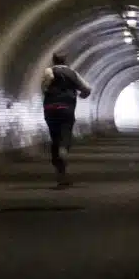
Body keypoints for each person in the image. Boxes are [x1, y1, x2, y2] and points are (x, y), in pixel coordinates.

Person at [41, 51, 92, 187]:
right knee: (65, 135)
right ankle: (63, 151)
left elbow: (44, 87)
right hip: (67, 108)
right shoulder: (72, 73)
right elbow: (87, 89)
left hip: (50, 108)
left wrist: (48, 93)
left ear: (53, 60)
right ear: (65, 60)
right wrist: (81, 95)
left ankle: (59, 169)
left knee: (54, 137)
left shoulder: (49, 71)